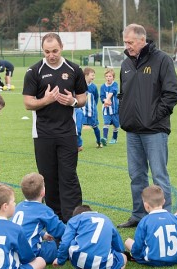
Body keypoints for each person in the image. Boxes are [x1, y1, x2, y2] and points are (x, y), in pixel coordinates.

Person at [117, 23, 177, 228]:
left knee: (159, 175)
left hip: (154, 130)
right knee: (136, 175)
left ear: (142, 40)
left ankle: (165, 217)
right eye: (125, 42)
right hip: (132, 130)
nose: (127, 46)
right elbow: (123, 94)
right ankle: (139, 215)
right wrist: (124, 115)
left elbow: (171, 94)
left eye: (130, 42)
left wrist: (154, 117)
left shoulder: (162, 60)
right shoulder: (125, 64)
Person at [22, 33, 87, 223]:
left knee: (69, 176)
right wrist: (46, 100)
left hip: (67, 132)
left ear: (62, 48)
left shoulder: (74, 69)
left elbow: (83, 97)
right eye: (47, 51)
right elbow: (28, 102)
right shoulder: (34, 71)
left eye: (55, 51)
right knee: (48, 178)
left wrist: (73, 101)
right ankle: (54, 220)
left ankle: (73, 219)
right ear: (43, 51)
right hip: (43, 133)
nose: (51, 55)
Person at [124, 185, 177, 267]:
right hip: (175, 259)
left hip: (152, 261)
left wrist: (137, 257)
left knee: (128, 241)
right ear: (164, 201)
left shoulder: (144, 221)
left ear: (146, 205)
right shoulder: (175, 218)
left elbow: (138, 245)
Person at [53, 205, 127, 269]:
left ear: (76, 215)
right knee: (124, 258)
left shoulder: (75, 219)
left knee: (73, 241)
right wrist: (120, 253)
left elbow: (65, 242)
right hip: (102, 261)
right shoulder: (106, 219)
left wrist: (60, 260)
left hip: (78, 259)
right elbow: (118, 243)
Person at [11, 173, 65, 264]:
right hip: (31, 253)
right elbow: (60, 230)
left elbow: (23, 227)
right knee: (58, 244)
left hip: (13, 250)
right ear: (43, 192)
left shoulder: (19, 206)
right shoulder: (43, 210)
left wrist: (42, 234)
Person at [81, 67, 102, 148]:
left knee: (95, 126)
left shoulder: (93, 87)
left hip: (92, 112)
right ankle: (78, 144)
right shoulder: (80, 85)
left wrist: (94, 107)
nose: (94, 77)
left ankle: (99, 142)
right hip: (82, 111)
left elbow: (96, 97)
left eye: (94, 75)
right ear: (86, 75)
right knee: (78, 127)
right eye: (92, 75)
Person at [100, 68, 120, 145]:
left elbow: (112, 91)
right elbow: (101, 96)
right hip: (106, 110)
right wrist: (105, 101)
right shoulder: (102, 87)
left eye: (110, 76)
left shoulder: (115, 84)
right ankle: (104, 138)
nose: (108, 78)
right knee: (106, 123)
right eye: (107, 76)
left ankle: (114, 138)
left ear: (113, 77)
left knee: (116, 125)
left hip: (115, 110)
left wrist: (108, 99)